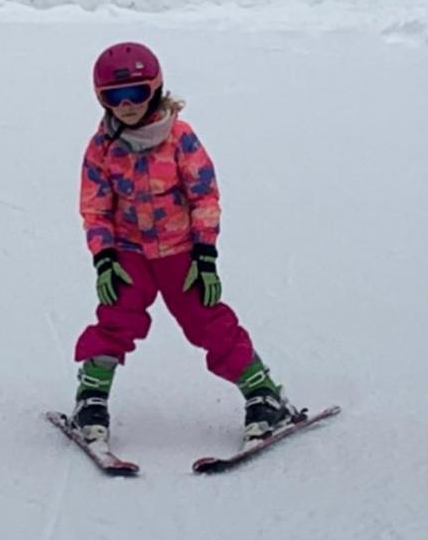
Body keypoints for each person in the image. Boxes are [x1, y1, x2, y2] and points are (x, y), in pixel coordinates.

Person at [70, 41, 294, 447]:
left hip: (180, 252)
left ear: (155, 89)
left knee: (206, 319)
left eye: (135, 92)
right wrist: (104, 256)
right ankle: (91, 398)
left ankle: (263, 393)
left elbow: (204, 197)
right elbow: (95, 207)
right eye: (114, 97)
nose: (126, 105)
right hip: (129, 253)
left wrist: (204, 254)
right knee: (117, 317)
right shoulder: (102, 147)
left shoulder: (179, 138)